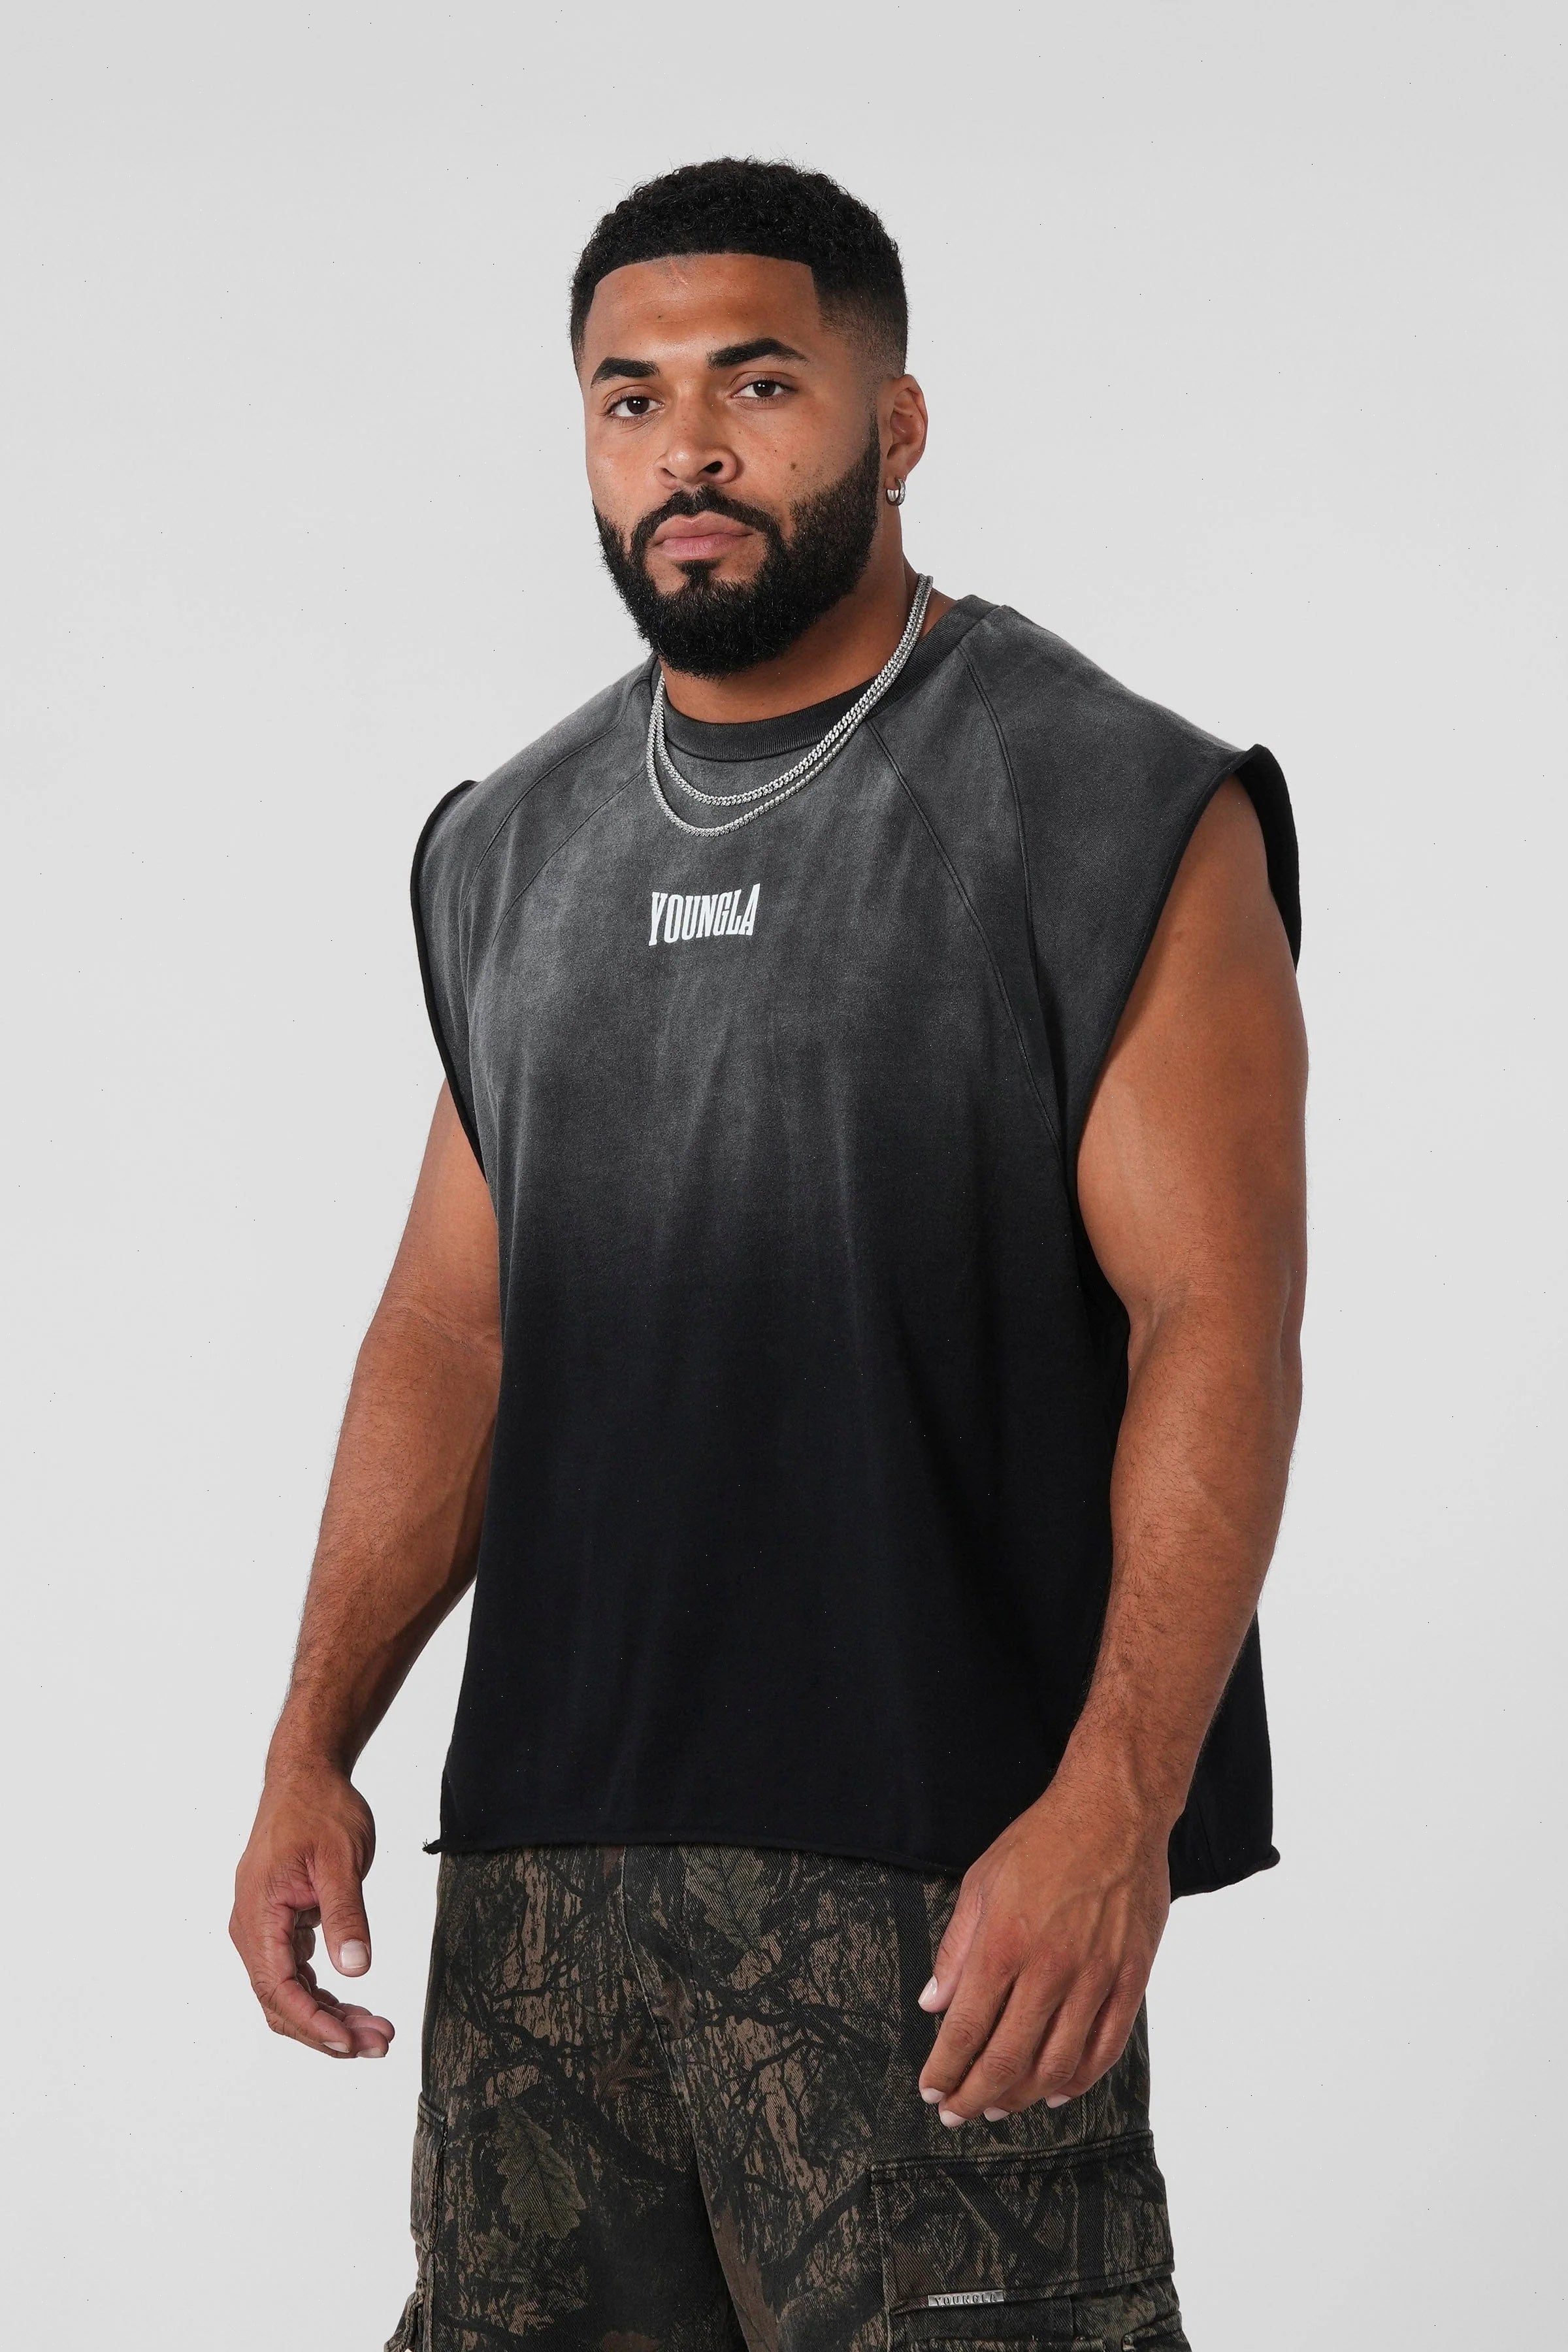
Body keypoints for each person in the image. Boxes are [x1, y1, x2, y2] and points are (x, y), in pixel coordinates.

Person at [231, 157, 1306, 2351]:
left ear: (895, 427)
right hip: (541, 1910)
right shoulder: (512, 845)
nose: (690, 449)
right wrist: (310, 1739)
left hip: (935, 1896)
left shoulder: (1105, 800)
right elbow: (453, 1327)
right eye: (630, 399)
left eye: (759, 384)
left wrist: (1116, 1802)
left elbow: (1222, 1317)